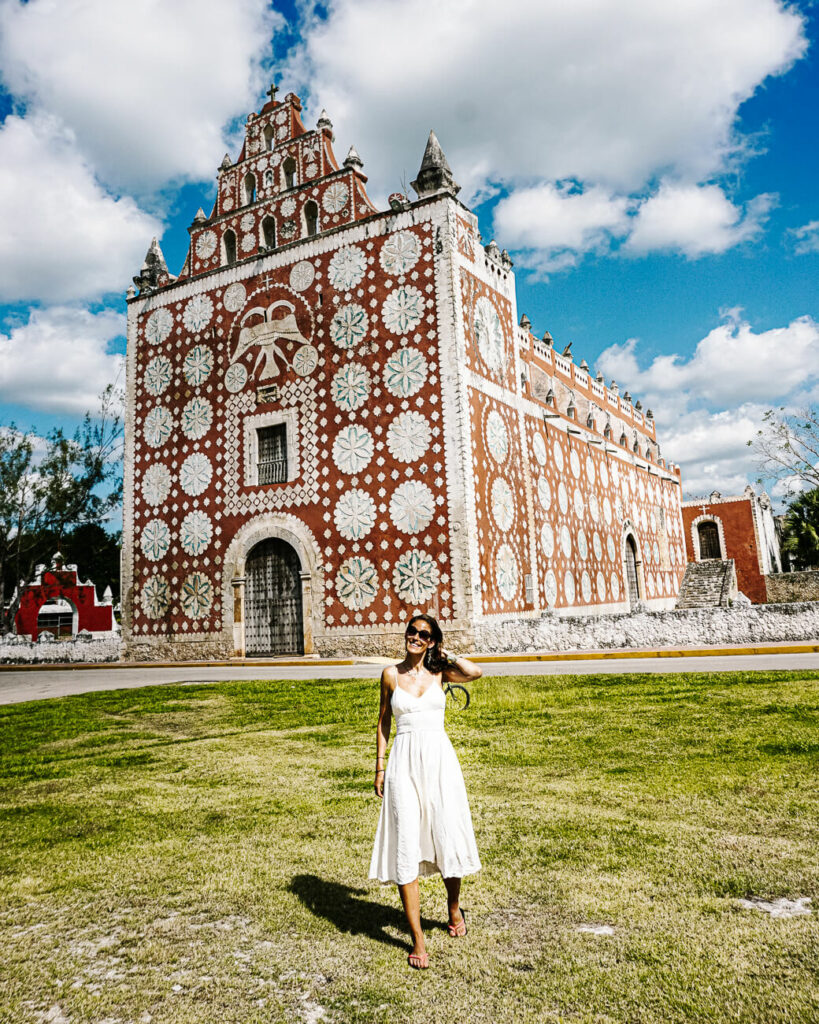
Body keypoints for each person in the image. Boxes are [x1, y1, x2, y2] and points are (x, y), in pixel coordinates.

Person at [368, 613, 482, 969]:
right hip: (403, 763)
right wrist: (380, 766)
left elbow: (475, 672)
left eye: (423, 634)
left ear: (431, 640)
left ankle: (452, 907)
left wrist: (445, 651)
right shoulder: (390, 674)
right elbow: (383, 721)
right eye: (411, 631)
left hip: (438, 761)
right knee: (406, 842)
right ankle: (418, 938)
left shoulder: (439, 672)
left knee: (445, 831)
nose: (414, 637)